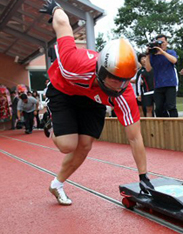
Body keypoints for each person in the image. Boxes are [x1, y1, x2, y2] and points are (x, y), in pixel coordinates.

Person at [39, 0, 153, 206]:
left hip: (92, 99)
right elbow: (63, 25)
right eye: (115, 79)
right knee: (67, 145)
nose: (120, 85)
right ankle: (50, 119)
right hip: (63, 90)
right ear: (101, 71)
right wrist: (56, 8)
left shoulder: (123, 93)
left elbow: (135, 138)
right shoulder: (74, 63)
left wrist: (143, 177)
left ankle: (56, 185)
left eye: (125, 80)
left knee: (84, 146)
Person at [145, 35, 178, 117]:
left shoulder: (171, 52)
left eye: (163, 42)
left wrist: (162, 52)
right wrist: (148, 55)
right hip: (158, 85)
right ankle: (164, 127)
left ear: (166, 43)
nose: (161, 44)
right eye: (159, 42)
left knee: (171, 106)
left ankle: (175, 126)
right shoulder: (153, 56)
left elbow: (174, 60)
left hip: (170, 84)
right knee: (159, 108)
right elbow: (148, 69)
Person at [137, 53, 155, 117]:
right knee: (148, 110)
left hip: (157, 91)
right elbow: (138, 83)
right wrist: (139, 94)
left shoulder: (154, 67)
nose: (144, 60)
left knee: (159, 108)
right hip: (147, 93)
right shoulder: (140, 71)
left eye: (145, 58)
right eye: (142, 59)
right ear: (140, 61)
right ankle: (149, 125)